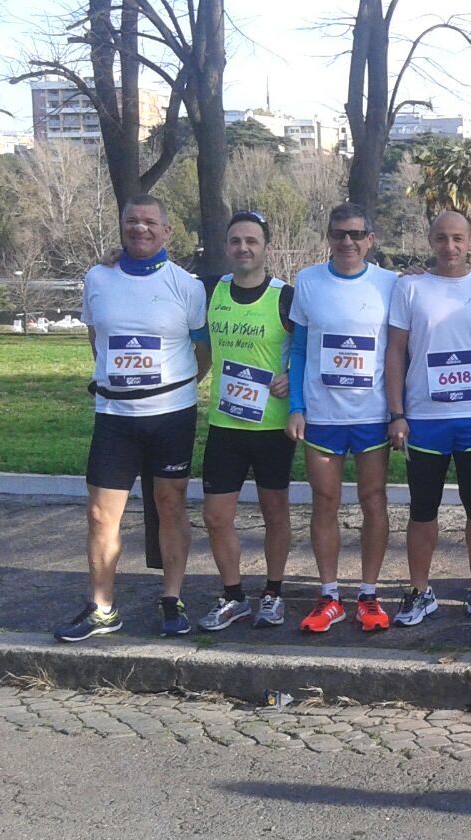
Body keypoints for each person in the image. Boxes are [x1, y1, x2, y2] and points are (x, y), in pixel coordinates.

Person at [55, 195, 209, 642]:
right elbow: (96, 337)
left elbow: (203, 352)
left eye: (149, 222)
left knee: (170, 505)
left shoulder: (188, 285)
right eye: (131, 221)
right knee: (101, 514)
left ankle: (172, 598)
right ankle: (101, 607)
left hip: (171, 415)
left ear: (167, 232)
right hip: (114, 415)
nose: (139, 228)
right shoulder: (97, 277)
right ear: (121, 226)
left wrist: (173, 389)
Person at [384, 212, 471, 626]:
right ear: (430, 240)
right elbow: (396, 351)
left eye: (457, 239)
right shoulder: (410, 286)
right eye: (441, 238)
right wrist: (396, 413)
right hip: (425, 417)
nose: (449, 247)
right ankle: (419, 590)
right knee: (422, 509)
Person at [286, 203, 398, 633]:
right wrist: (296, 407)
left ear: (370, 238)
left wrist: (396, 413)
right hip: (322, 416)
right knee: (325, 502)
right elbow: (297, 350)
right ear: (329, 238)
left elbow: (397, 350)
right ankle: (329, 594)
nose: (347, 242)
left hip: (371, 415)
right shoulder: (309, 281)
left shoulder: (390, 283)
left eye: (355, 234)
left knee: (374, 502)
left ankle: (369, 593)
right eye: (339, 234)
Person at [195, 211, 296, 632]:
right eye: (235, 241)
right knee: (216, 516)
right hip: (226, 425)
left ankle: (273, 593)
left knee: (275, 513)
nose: (243, 248)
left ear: (265, 247)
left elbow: (307, 349)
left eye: (251, 241)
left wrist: (294, 378)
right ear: (226, 247)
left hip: (273, 427)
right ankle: (233, 595)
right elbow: (200, 350)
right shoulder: (211, 291)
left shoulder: (284, 296)